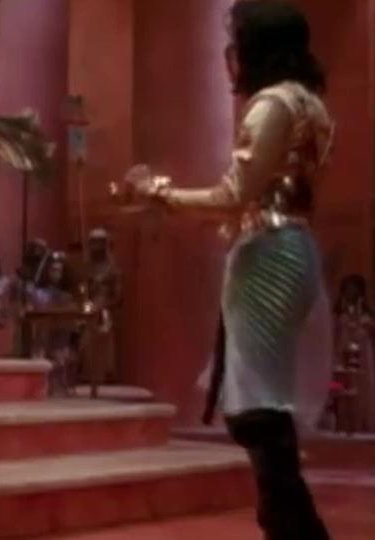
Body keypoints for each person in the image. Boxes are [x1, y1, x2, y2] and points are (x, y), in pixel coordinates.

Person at [114, 2, 333, 538]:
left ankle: (292, 526)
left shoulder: (272, 104)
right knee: (263, 402)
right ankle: (286, 522)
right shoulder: (309, 104)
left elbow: (233, 195)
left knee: (259, 407)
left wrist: (157, 191)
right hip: (291, 247)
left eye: (236, 41)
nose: (229, 54)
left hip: (267, 253)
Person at [26, 251, 77, 394]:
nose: (56, 273)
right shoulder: (38, 293)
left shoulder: (68, 295)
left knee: (60, 357)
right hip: (43, 332)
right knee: (41, 357)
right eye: (53, 270)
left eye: (59, 270)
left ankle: (58, 386)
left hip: (60, 331)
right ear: (47, 271)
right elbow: (31, 311)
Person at [334, 274, 375, 432]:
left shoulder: (365, 313)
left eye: (355, 287)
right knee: (341, 386)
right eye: (348, 287)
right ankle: (343, 422)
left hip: (363, 354)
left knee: (363, 386)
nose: (352, 291)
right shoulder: (338, 312)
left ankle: (364, 422)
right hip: (341, 352)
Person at [84, 228, 121, 383]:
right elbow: (82, 288)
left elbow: (118, 295)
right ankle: (88, 374)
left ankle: (104, 375)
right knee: (86, 342)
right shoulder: (87, 267)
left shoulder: (112, 269)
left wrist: (104, 304)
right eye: (94, 243)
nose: (96, 247)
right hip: (88, 309)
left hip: (104, 310)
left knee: (104, 343)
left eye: (99, 243)